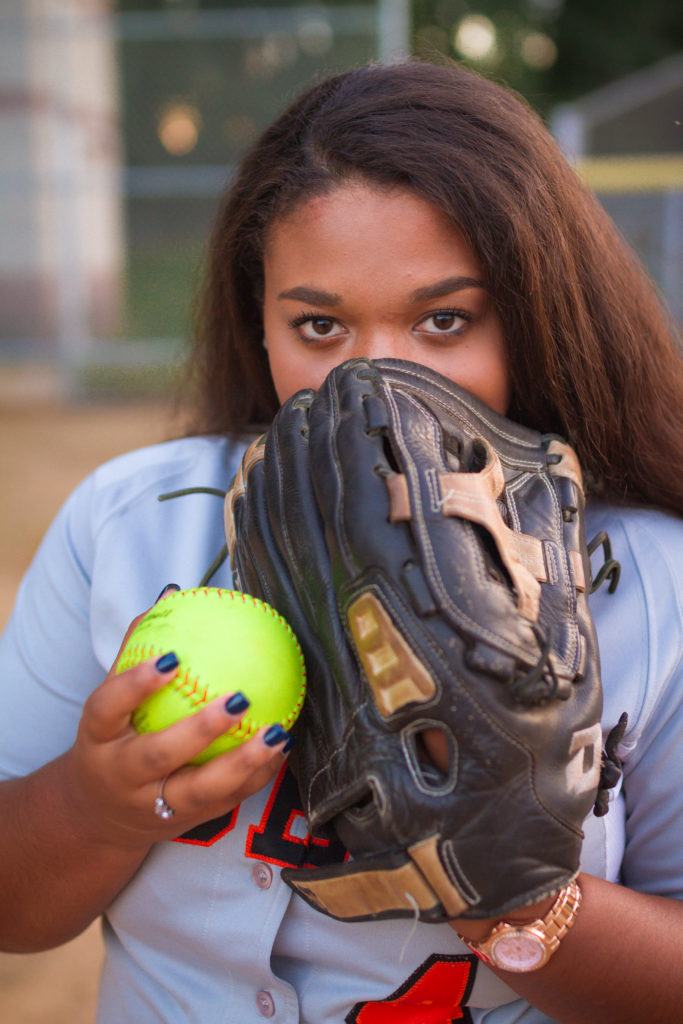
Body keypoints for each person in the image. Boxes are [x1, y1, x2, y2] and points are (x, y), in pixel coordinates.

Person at [0, 58, 681, 1024]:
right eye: (319, 324)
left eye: (443, 320)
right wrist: (89, 806)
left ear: (537, 317)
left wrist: (515, 886)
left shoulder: (653, 581)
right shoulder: (134, 526)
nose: (375, 387)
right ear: (261, 324)